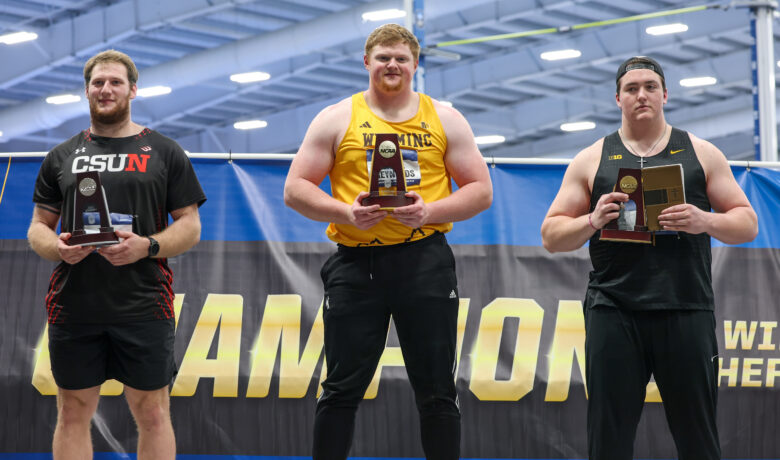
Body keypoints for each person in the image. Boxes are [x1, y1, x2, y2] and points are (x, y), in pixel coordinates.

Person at [284, 23, 492, 460]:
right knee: (340, 388)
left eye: (401, 57)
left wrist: (430, 211)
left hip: (425, 261)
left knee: (437, 389)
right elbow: (296, 188)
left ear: (415, 64)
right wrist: (346, 213)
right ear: (367, 62)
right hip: (357, 265)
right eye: (383, 57)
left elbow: (481, 191)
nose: (392, 65)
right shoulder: (337, 117)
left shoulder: (445, 117)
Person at [541, 56, 758, 460]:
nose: (642, 95)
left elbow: (747, 224)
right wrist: (592, 219)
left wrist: (703, 219)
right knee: (609, 440)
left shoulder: (701, 152)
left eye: (651, 86)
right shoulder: (592, 158)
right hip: (614, 310)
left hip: (686, 307)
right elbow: (551, 235)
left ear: (665, 94)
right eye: (632, 88)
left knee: (698, 438)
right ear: (617, 98)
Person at [27, 49, 206, 460]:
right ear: (87, 91)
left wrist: (148, 246)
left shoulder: (164, 151)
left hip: (144, 304)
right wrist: (57, 248)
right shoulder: (60, 156)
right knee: (72, 411)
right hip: (75, 306)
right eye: (97, 83)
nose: (105, 89)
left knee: (153, 413)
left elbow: (190, 226)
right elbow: (38, 228)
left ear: (133, 89)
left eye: (115, 82)